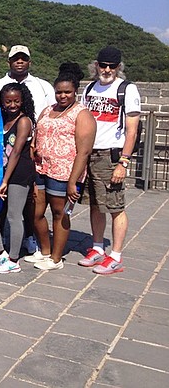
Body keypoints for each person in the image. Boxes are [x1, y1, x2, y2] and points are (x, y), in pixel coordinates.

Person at [25, 63, 96, 270]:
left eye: (67, 92)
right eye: (59, 92)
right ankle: (45, 251)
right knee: (36, 212)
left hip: (64, 172)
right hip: (41, 168)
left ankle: (56, 258)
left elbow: (83, 151)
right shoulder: (48, 110)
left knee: (60, 213)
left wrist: (74, 181)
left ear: (75, 92)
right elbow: (37, 134)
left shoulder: (81, 115)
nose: (62, 96)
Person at [79, 46, 140, 274]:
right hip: (90, 153)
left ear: (118, 67)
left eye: (111, 66)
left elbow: (132, 131)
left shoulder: (126, 89)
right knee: (95, 205)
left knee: (116, 206)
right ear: (96, 65)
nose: (106, 70)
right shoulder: (90, 88)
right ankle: (97, 247)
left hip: (111, 155)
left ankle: (115, 255)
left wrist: (123, 162)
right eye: (102, 65)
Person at [0, 44, 55, 254]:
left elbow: (50, 115)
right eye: (15, 59)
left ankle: (25, 243)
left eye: (23, 58)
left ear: (29, 61)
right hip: (3, 157)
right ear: (9, 61)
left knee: (26, 205)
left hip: (25, 156)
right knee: (1, 208)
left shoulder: (42, 86)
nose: (19, 62)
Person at [0, 83, 36, 274]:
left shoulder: (24, 121)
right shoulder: (1, 119)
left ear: (22, 100)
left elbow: (16, 152)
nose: (12, 105)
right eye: (8, 101)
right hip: (1, 172)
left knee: (14, 216)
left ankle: (13, 259)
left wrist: (5, 181)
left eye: (16, 101)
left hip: (18, 173)